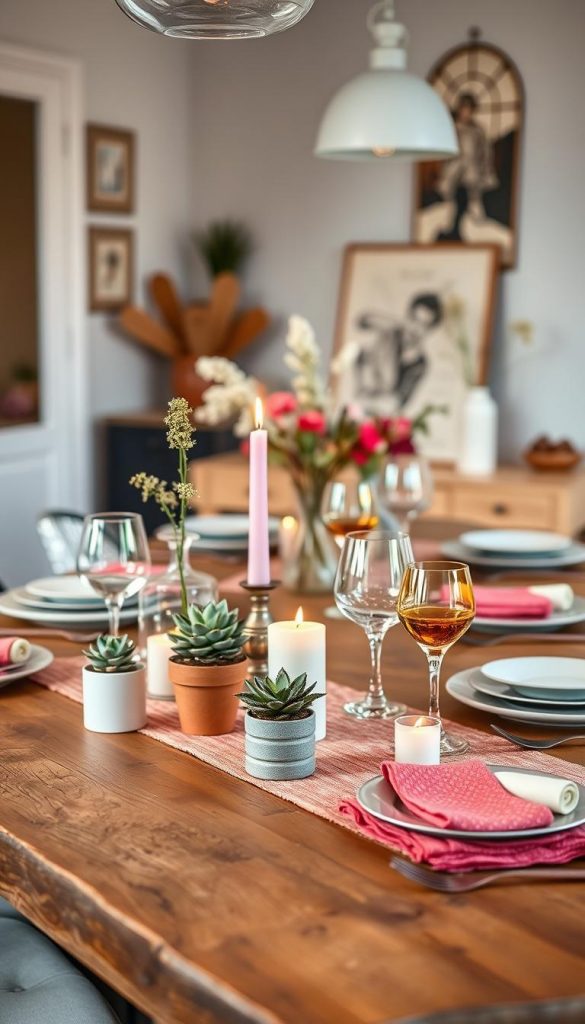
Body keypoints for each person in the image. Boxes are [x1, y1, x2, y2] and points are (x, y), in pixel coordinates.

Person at [354, 292, 443, 409]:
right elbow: (364, 320)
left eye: (423, 325)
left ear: (430, 330)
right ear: (407, 316)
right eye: (414, 319)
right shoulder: (391, 333)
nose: (415, 328)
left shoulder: (419, 364)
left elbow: (398, 402)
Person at [436, 92, 497, 226]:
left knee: (473, 193)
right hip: (455, 166)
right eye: (464, 109)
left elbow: (485, 152)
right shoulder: (452, 128)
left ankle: (475, 213)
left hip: (471, 168)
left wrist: (485, 169)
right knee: (452, 195)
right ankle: (450, 219)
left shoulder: (477, 131)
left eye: (469, 110)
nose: (466, 113)